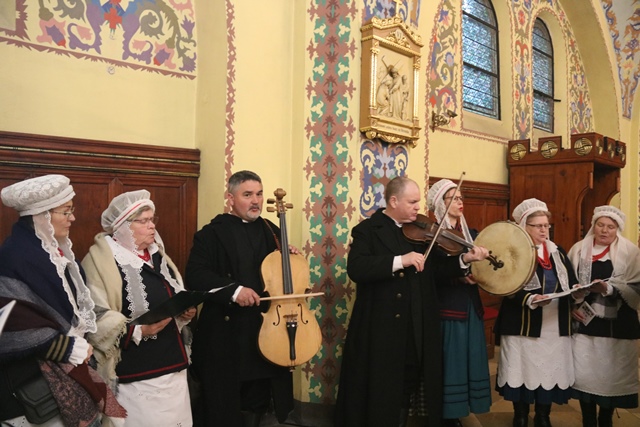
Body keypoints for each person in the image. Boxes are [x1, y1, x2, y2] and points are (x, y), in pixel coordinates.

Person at [334, 176, 489, 427]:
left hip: (417, 323)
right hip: (382, 327)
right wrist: (400, 261)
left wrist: (464, 260)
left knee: (409, 380)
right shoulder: (368, 230)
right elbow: (357, 268)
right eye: (412, 202)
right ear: (394, 201)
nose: (419, 207)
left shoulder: (420, 230)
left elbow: (436, 270)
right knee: (384, 387)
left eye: (418, 202)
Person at [0, 174, 125, 426]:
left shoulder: (56, 252)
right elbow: (12, 321)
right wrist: (65, 347)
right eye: (65, 212)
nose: (72, 218)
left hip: (71, 366)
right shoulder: (14, 256)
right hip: (31, 385)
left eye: (71, 210)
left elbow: (76, 306)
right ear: (42, 215)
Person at [185, 170, 296, 427]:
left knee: (258, 397)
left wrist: (289, 256)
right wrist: (234, 291)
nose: (255, 201)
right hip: (226, 334)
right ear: (231, 198)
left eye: (259, 194)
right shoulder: (211, 233)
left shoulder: (271, 230)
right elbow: (195, 276)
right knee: (224, 403)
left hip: (266, 330)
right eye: (247, 195)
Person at [82, 190, 195, 426]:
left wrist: (184, 313)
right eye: (143, 221)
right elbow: (92, 314)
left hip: (172, 363)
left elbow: (173, 294)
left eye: (152, 219)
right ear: (123, 226)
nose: (152, 226)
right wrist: (137, 331)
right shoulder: (100, 261)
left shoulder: (158, 256)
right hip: (134, 371)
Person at [495, 198, 579, 427]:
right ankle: (520, 415)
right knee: (522, 370)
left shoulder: (557, 252)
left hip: (554, 325)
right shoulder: (511, 252)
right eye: (538, 226)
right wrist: (530, 299)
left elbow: (570, 281)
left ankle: (543, 415)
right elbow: (504, 285)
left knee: (549, 372)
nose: (544, 230)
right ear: (524, 226)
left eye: (546, 225)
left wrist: (578, 290)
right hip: (523, 324)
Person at [426, 179, 491, 427]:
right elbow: (433, 273)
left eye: (461, 197)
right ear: (440, 204)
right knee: (452, 363)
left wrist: (479, 274)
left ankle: (463, 409)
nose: (460, 202)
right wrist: (461, 270)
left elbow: (481, 267)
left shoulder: (471, 234)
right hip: (449, 308)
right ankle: (448, 415)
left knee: (470, 359)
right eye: (453, 198)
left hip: (471, 305)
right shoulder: (433, 235)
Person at [568, 206, 640, 427]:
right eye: (600, 225)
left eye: (610, 227)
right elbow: (566, 282)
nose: (605, 230)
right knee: (585, 374)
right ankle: (588, 419)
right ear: (594, 225)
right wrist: (573, 300)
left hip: (618, 326)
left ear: (617, 229)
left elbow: (636, 288)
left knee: (611, 376)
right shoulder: (578, 250)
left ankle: (605, 417)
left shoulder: (631, 253)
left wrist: (608, 289)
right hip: (586, 323)